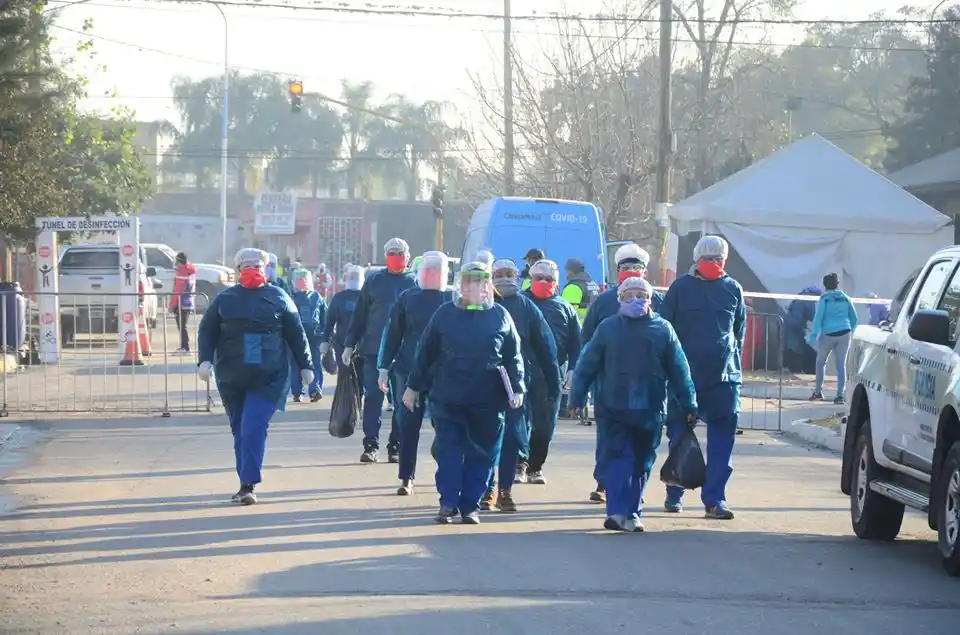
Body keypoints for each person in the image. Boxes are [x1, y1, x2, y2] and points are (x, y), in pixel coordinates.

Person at [570, 277, 698, 532]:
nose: (635, 299)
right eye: (629, 295)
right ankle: (617, 511)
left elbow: (680, 370)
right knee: (619, 457)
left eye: (641, 295)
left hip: (649, 409)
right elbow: (587, 364)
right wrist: (577, 397)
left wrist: (689, 403)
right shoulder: (608, 328)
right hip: (612, 407)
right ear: (619, 299)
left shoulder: (663, 329)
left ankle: (632, 513)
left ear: (650, 300)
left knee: (642, 462)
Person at [404, 261, 525, 524]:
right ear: (461, 285)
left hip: (488, 400)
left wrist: (517, 388)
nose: (474, 287)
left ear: (488, 286)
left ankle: (470, 505)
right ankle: (448, 502)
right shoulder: (444, 314)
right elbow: (425, 352)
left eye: (480, 282)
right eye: (469, 281)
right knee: (448, 449)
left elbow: (513, 356)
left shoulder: (500, 316)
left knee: (483, 453)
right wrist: (413, 386)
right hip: (448, 397)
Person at [197, 248, 314, 506]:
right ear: (238, 270)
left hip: (269, 376)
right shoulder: (224, 299)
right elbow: (207, 331)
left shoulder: (279, 297)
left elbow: (297, 333)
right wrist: (204, 360)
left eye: (256, 266)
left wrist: (306, 366)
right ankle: (244, 482)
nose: (252, 270)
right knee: (240, 429)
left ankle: (249, 484)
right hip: (232, 375)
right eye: (246, 266)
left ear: (265, 269)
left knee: (253, 426)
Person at [660, 235, 745, 520]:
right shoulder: (680, 289)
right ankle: (675, 492)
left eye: (718, 259)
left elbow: (738, 332)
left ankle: (715, 500)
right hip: (685, 379)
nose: (713, 263)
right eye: (708, 259)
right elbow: (665, 331)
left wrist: (733, 367)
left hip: (723, 380)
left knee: (722, 443)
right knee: (679, 437)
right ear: (697, 259)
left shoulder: (733, 289)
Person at [581, 242, 663, 503]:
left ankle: (635, 486)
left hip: (647, 385)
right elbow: (587, 340)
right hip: (610, 382)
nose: (631, 272)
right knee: (609, 437)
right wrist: (584, 379)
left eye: (636, 267)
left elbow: (672, 345)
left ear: (645, 272)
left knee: (643, 440)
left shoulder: (658, 302)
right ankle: (605, 482)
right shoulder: (604, 302)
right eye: (625, 267)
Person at [483, 258, 559, 512]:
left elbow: (546, 347)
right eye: (499, 273)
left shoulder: (526, 307)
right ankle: (487, 488)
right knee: (485, 438)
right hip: (481, 383)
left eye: (509, 273)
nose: (504, 278)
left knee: (511, 438)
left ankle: (504, 491)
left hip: (514, 384)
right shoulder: (480, 304)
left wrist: (554, 383)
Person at [377, 251, 454, 495]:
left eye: (436, 269)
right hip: (408, 371)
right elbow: (392, 333)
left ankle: (445, 467)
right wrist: (383, 367)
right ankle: (406, 477)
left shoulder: (453, 298)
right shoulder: (407, 298)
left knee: (445, 424)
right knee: (408, 424)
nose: (432, 273)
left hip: (443, 373)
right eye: (428, 269)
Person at [342, 238, 417, 463]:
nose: (396, 257)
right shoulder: (374, 281)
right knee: (373, 398)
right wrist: (349, 344)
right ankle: (371, 445)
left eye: (400, 253)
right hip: (374, 350)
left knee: (402, 402)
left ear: (408, 256)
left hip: (403, 354)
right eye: (392, 253)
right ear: (385, 256)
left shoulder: (414, 283)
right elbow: (360, 315)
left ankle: (395, 445)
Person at [522, 258, 580, 484]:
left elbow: (576, 342)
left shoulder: (565, 308)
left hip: (551, 374)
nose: (544, 282)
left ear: (556, 282)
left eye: (549, 279)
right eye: (539, 278)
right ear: (531, 279)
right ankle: (518, 463)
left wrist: (573, 369)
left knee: (545, 424)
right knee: (518, 422)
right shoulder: (520, 303)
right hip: (521, 371)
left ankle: (535, 467)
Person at [807, 272, 858, 405]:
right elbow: (854, 318)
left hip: (828, 334)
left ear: (825, 286)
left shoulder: (825, 299)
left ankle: (818, 391)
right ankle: (840, 395)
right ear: (837, 284)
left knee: (821, 362)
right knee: (841, 365)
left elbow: (818, 319)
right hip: (845, 333)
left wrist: (813, 337)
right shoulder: (846, 298)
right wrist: (850, 330)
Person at [289, 268, 326, 403]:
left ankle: (307, 390)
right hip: (304, 335)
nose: (302, 282)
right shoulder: (294, 297)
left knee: (304, 363)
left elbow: (324, 316)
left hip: (306, 336)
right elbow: (324, 317)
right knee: (306, 364)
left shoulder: (294, 297)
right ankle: (306, 390)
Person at [321, 265, 364, 376]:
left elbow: (329, 322)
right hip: (347, 344)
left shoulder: (365, 297)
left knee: (354, 375)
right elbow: (330, 322)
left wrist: (326, 340)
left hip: (358, 345)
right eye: (352, 276)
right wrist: (325, 340)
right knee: (349, 376)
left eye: (355, 277)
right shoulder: (365, 297)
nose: (354, 279)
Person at [784, 286, 822, 374]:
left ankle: (792, 368)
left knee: (792, 347)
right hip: (797, 327)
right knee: (798, 349)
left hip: (789, 325)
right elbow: (812, 315)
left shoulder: (799, 296)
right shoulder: (808, 299)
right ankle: (795, 369)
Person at [168, 251, 196, 353]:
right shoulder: (191, 271)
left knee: (181, 326)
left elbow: (177, 291)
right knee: (183, 325)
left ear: (179, 261)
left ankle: (185, 347)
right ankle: (184, 346)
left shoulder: (182, 272)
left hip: (181, 302)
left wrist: (172, 305)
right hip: (189, 302)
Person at [561, 258, 600, 323]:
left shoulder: (573, 287)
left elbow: (566, 313)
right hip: (596, 326)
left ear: (570, 271)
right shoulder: (593, 284)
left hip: (580, 327)